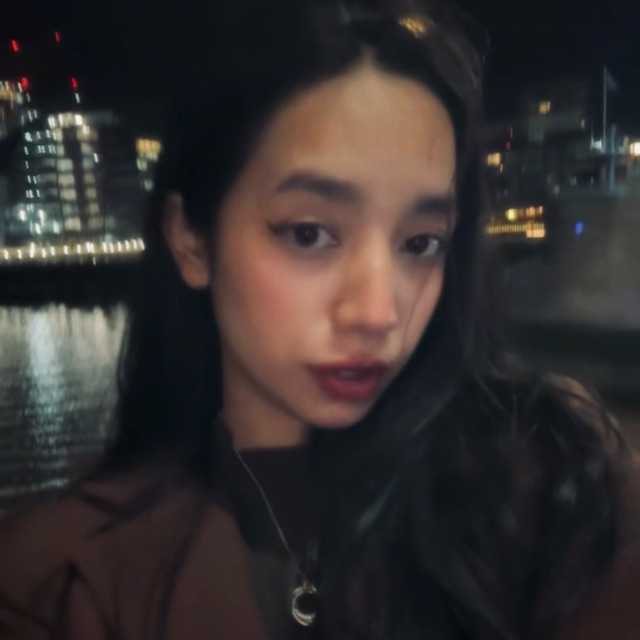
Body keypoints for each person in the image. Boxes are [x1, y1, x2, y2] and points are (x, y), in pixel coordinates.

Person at [1, 1, 638, 638]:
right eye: (309, 233)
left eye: (421, 243)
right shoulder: (62, 584)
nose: (378, 314)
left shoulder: (553, 485)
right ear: (192, 241)